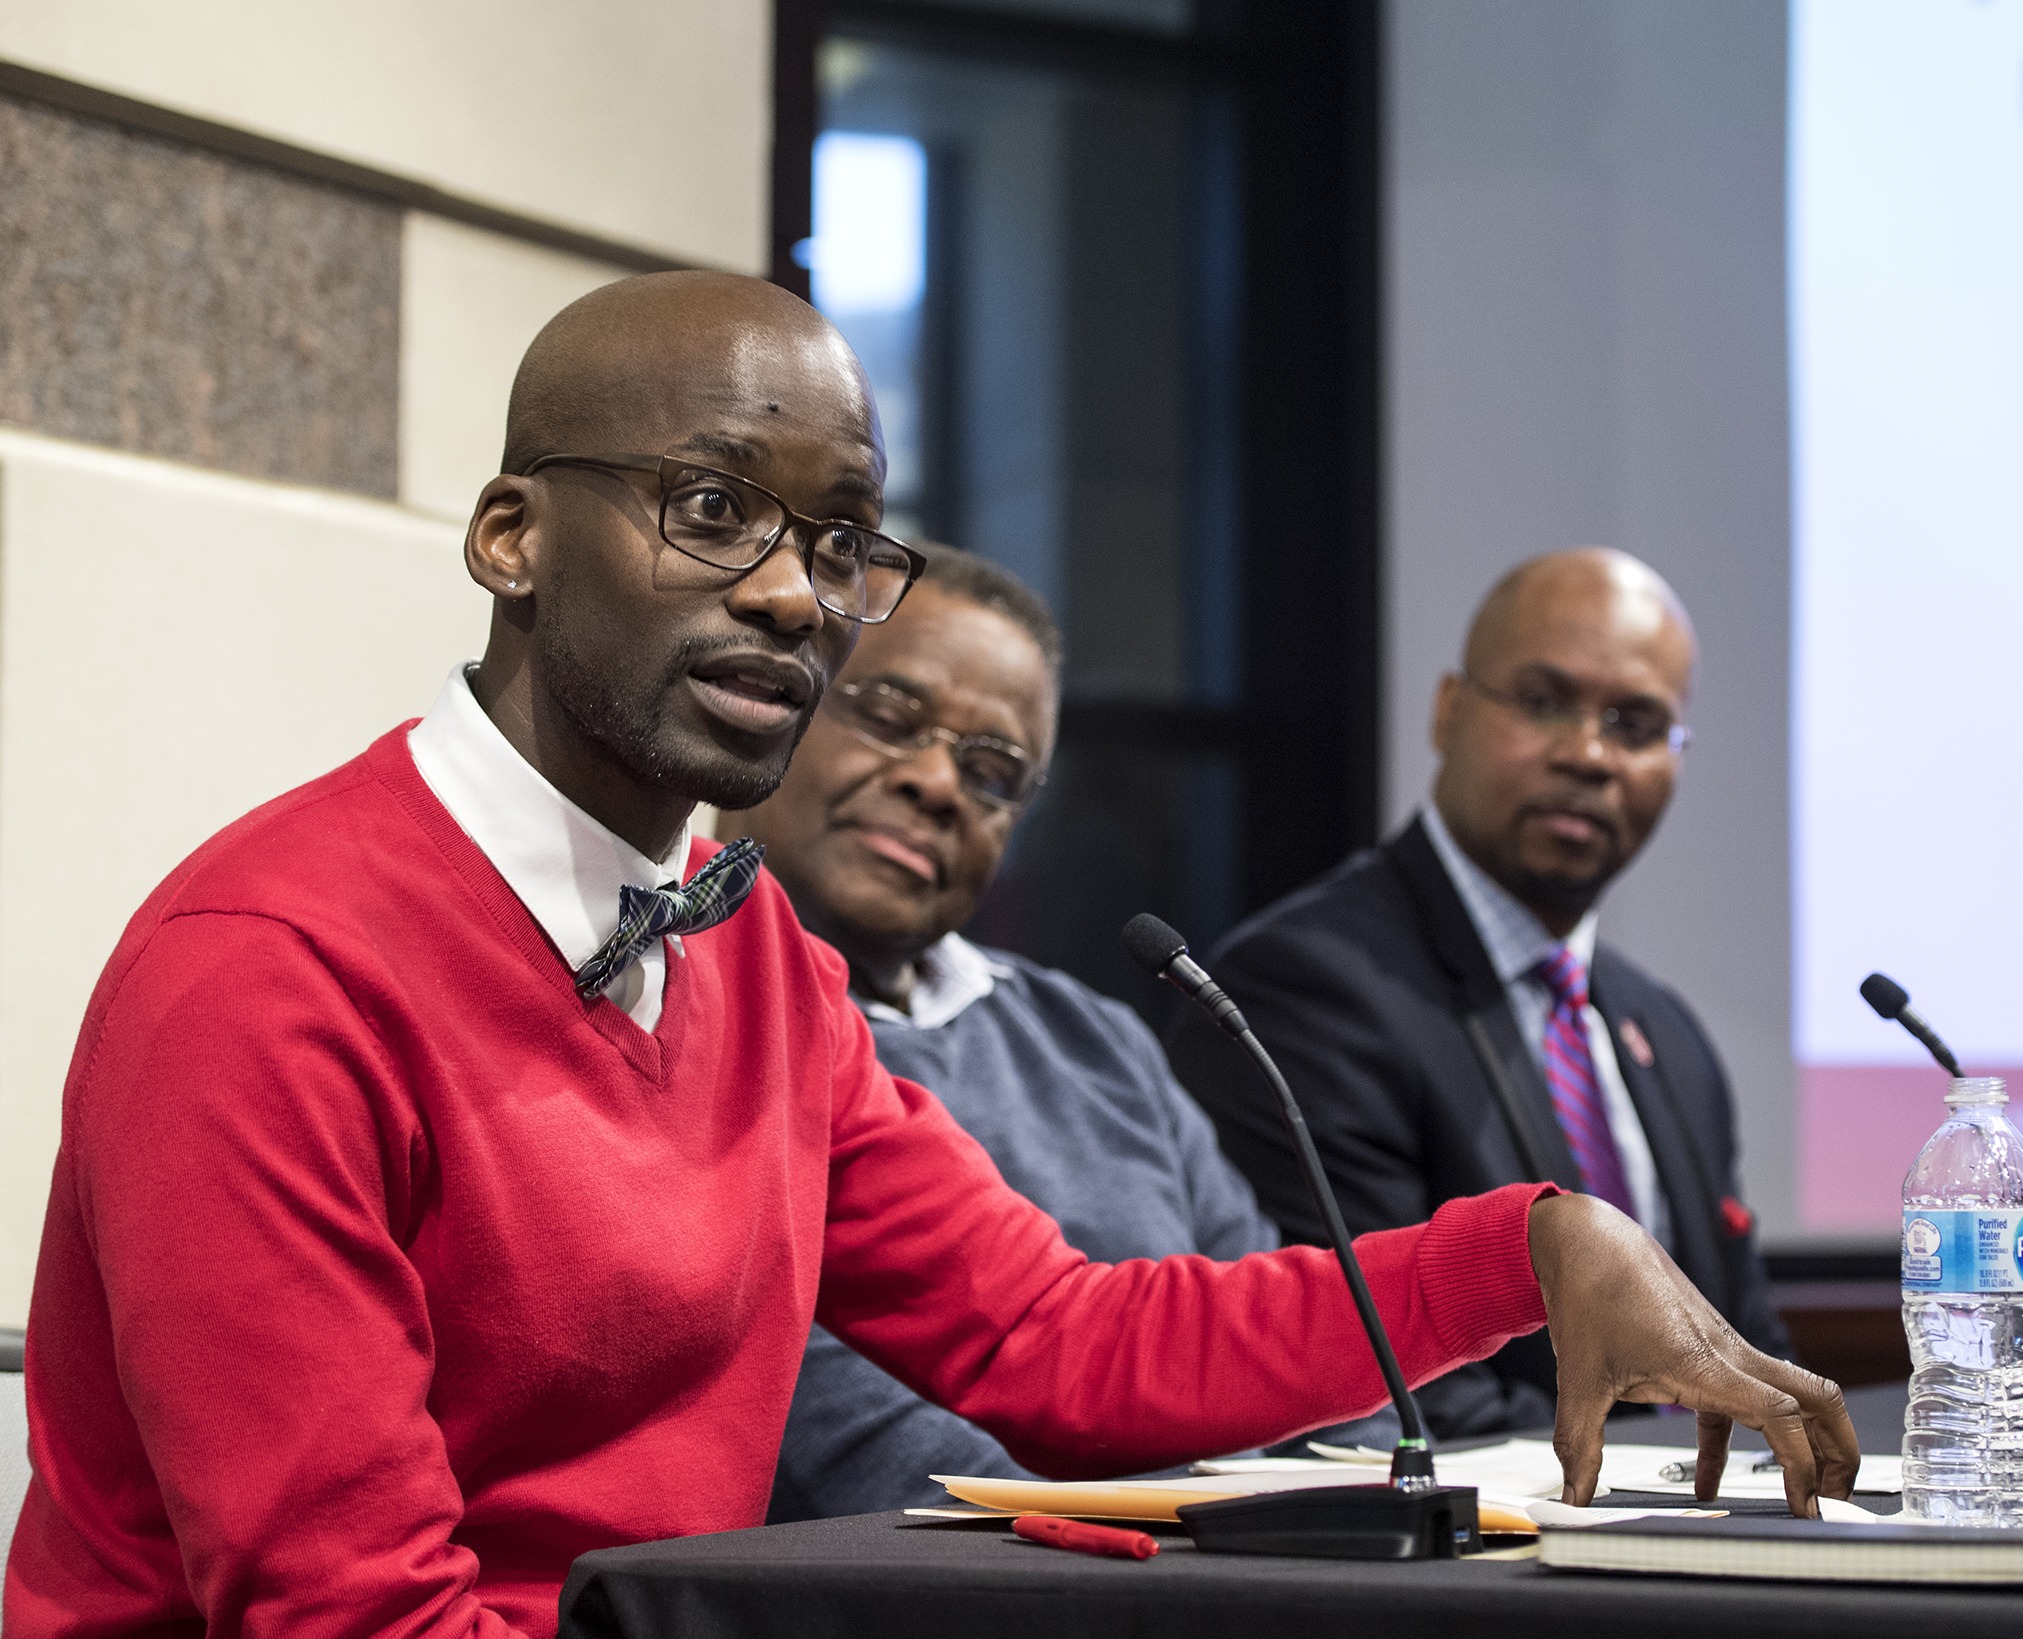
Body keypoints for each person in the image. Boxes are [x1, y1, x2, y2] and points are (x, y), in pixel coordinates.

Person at [6, 277, 1853, 1637]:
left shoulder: (754, 964)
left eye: (835, 539)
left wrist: (1530, 1241)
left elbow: (1053, 1340)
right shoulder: (267, 969)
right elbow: (351, 1617)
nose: (798, 593)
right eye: (711, 509)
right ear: (510, 536)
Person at [721, 542, 1336, 1519]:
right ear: (773, 700)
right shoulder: (686, 1012)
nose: (936, 783)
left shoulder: (1096, 1040)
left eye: (993, 770)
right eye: (889, 715)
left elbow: (1263, 1354)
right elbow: (862, 1450)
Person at [1168, 549, 1791, 1440]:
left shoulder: (1665, 1032)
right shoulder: (1305, 988)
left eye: (1636, 723)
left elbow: (1741, 1344)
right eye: (1542, 702)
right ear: (1448, 711)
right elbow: (1373, 1370)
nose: (1587, 754)